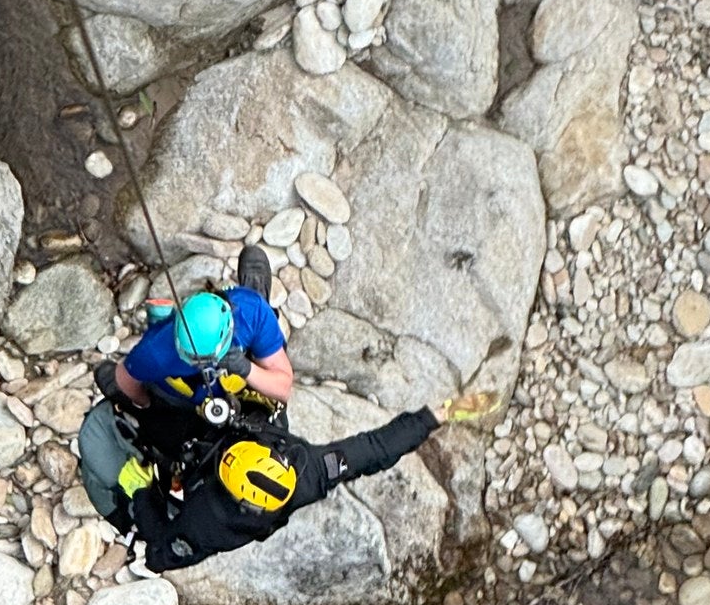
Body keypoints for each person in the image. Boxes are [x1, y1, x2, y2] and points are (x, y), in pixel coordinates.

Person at [124, 391, 493, 573]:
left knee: (153, 429)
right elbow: (375, 448)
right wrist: (435, 416)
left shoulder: (205, 526)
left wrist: (141, 493)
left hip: (186, 470)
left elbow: (160, 554)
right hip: (236, 442)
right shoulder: (309, 471)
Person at [77, 245, 291, 524]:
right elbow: (126, 379)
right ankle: (260, 310)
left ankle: (260, 310)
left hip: (225, 383)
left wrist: (246, 368)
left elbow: (282, 387)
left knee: (258, 320)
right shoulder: (156, 349)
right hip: (195, 403)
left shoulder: (246, 314)